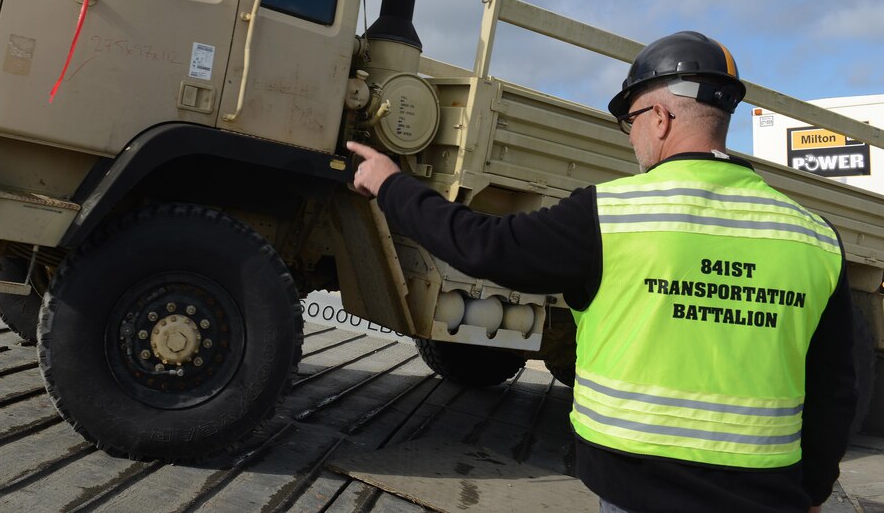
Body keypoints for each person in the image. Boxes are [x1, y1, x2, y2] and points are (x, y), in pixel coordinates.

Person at [348, 31, 857, 513]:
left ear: (659, 117)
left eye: (629, 119)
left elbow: (483, 246)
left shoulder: (608, 215)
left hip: (634, 491)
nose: (631, 135)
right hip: (766, 494)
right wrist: (813, 488)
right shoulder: (812, 236)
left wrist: (391, 185)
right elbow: (835, 388)